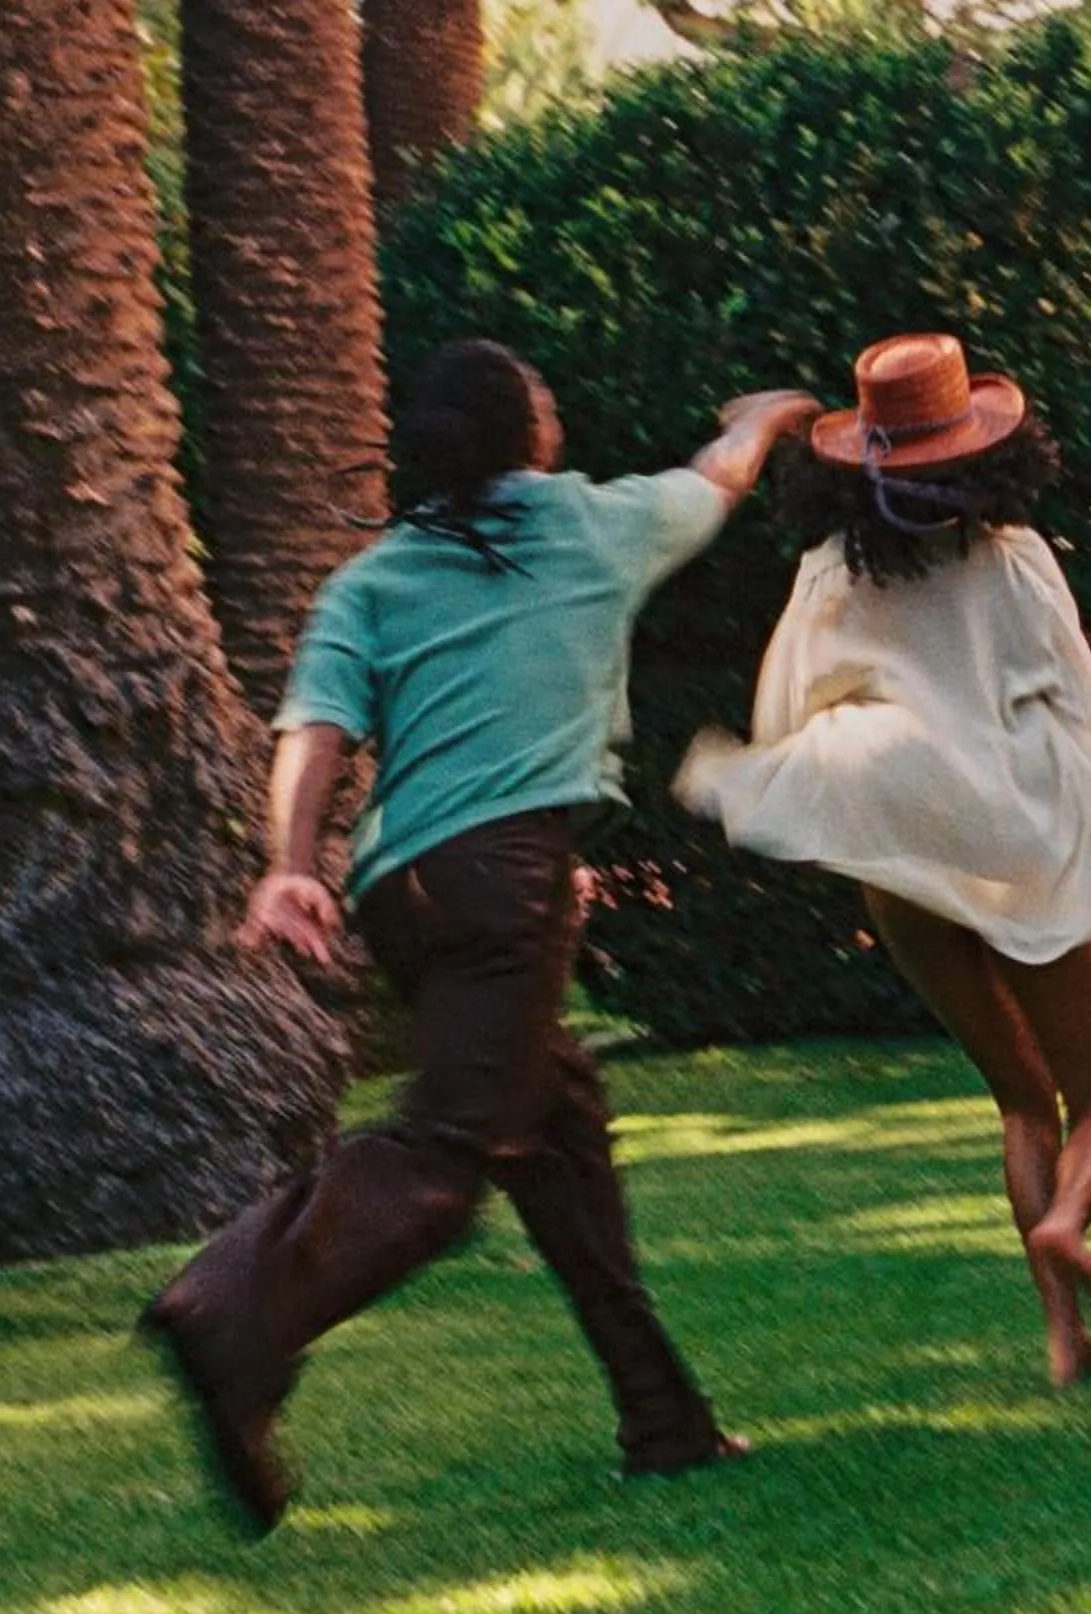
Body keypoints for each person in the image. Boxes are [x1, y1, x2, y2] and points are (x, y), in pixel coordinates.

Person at [140, 339, 821, 1532]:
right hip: (509, 885)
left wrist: (290, 869)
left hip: (404, 889)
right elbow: (718, 477)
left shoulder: (377, 577)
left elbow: (312, 730)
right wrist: (764, 417)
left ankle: (666, 1421)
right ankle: (230, 1312)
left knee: (559, 1137)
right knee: (445, 1165)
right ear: (534, 438)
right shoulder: (596, 527)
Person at [676, 331, 1091, 1391]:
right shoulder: (1015, 557)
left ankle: (1064, 1340)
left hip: (899, 843)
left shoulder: (828, 570)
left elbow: (785, 711)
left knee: (1021, 1100)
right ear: (981, 453)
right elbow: (1072, 698)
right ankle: (1068, 1225)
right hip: (1012, 833)